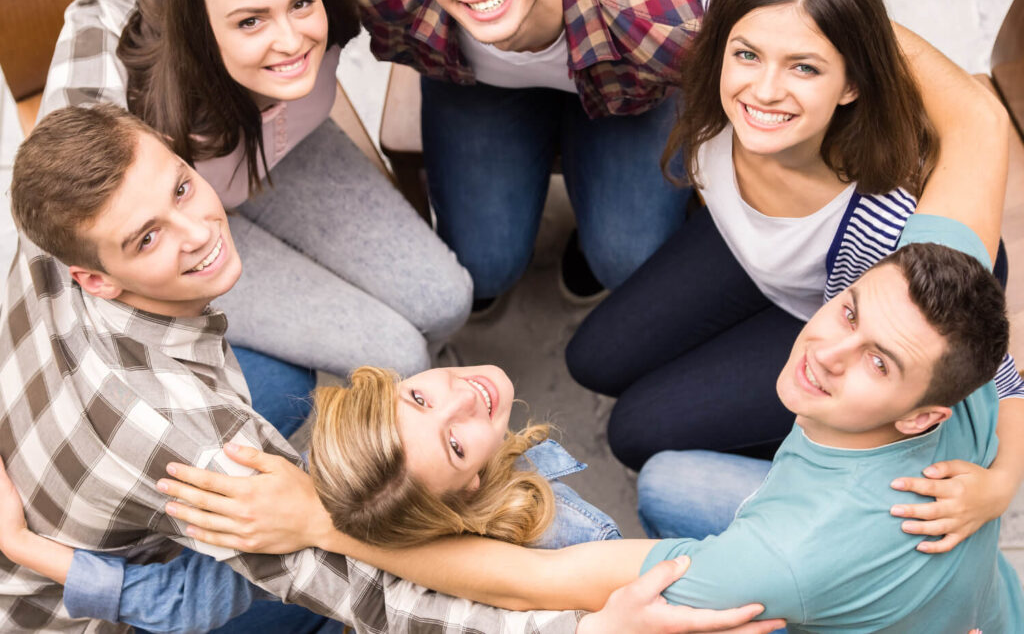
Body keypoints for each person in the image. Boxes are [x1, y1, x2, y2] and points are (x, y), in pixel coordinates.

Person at [0, 104, 777, 634]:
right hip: (94, 563)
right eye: (146, 239)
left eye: (180, 184)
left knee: (286, 389)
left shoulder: (57, 216)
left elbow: (97, 11)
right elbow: (390, 603)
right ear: (91, 276)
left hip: (92, 485)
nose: (200, 225)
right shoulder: (219, 461)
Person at [26, 243, 1018, 632]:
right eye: (457, 446)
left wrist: (1002, 474)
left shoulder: (930, 336)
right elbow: (528, 603)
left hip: (940, 584)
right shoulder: (571, 552)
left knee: (669, 479)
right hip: (876, 583)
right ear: (464, 505)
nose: (464, 399)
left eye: (418, 400)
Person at [563, 0, 1020, 482]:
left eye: (805, 66)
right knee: (590, 359)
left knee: (635, 431)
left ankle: (811, 453)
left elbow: (984, 366)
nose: (765, 90)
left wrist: (1004, 473)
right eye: (748, 54)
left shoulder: (886, 217)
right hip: (749, 253)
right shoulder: (737, 28)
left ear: (852, 82)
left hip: (833, 315)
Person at [303, 0, 747, 308]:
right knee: (482, 267)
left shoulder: (668, 16)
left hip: (628, 72)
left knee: (628, 258)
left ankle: (594, 247)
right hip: (476, 81)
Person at [40, 0, 473, 389]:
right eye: (250, 21)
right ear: (203, 29)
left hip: (290, 155)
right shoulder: (153, 110)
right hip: (187, 226)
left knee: (446, 300)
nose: (291, 42)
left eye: (300, 3)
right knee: (397, 356)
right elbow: (100, 2)